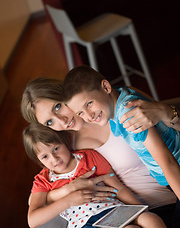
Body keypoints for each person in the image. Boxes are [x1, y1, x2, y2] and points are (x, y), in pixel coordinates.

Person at [21, 77, 176, 227]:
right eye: (49, 122)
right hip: (132, 213)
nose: (62, 120)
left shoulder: (110, 102)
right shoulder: (65, 147)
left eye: (57, 106)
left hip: (172, 193)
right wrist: (67, 190)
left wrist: (166, 112)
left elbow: (172, 130)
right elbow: (34, 199)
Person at [63, 65, 180, 202]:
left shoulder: (128, 114)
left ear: (106, 87)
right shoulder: (118, 98)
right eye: (80, 113)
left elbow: (168, 162)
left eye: (89, 103)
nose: (89, 116)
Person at [23, 123, 166, 228]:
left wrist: (140, 209)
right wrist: (68, 200)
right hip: (84, 224)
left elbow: (119, 188)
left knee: (150, 219)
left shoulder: (88, 157)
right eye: (45, 157)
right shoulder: (43, 180)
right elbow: (33, 220)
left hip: (114, 211)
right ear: (39, 161)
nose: (54, 158)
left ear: (64, 143)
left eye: (56, 148)